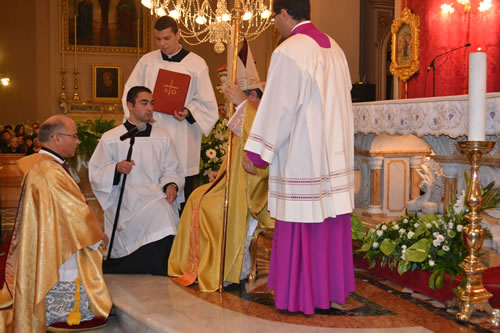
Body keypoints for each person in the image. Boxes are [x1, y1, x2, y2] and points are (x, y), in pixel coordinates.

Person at [243, 0, 355, 315]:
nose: (274, 25)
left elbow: (279, 107)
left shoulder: (289, 51)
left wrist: (257, 151)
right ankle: (327, 292)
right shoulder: (335, 48)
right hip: (332, 156)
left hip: (303, 156)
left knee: (303, 221)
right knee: (328, 221)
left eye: (273, 18)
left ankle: (302, 295)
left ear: (283, 13)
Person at [0, 115, 112, 331]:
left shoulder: (39, 163)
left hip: (49, 233)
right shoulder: (50, 170)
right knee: (66, 270)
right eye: (74, 136)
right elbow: (75, 212)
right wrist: (97, 233)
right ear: (57, 138)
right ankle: (60, 311)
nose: (78, 141)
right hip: (57, 239)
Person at [169, 75, 273, 291]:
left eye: (248, 97)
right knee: (197, 196)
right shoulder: (249, 117)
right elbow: (234, 155)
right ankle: (196, 266)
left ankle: (224, 269)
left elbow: (263, 159)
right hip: (234, 183)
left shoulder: (265, 119)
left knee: (211, 208)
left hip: (254, 190)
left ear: (253, 96)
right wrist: (222, 172)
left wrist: (243, 104)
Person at [122, 16, 218, 204]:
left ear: (178, 35)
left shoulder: (196, 64)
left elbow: (207, 103)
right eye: (158, 39)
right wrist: (141, 116)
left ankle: (181, 231)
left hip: (181, 134)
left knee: (182, 192)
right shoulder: (147, 62)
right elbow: (130, 93)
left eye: (167, 38)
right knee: (151, 189)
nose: (162, 44)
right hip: (152, 131)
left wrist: (189, 112)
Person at [89, 86, 184, 276]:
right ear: (129, 105)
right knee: (161, 212)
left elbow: (172, 168)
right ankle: (132, 264)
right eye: (144, 103)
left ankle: (158, 266)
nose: (150, 108)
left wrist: (171, 184)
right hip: (124, 200)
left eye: (152, 103)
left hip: (155, 195)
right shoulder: (112, 138)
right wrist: (115, 169)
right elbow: (95, 173)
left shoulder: (162, 138)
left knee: (163, 211)